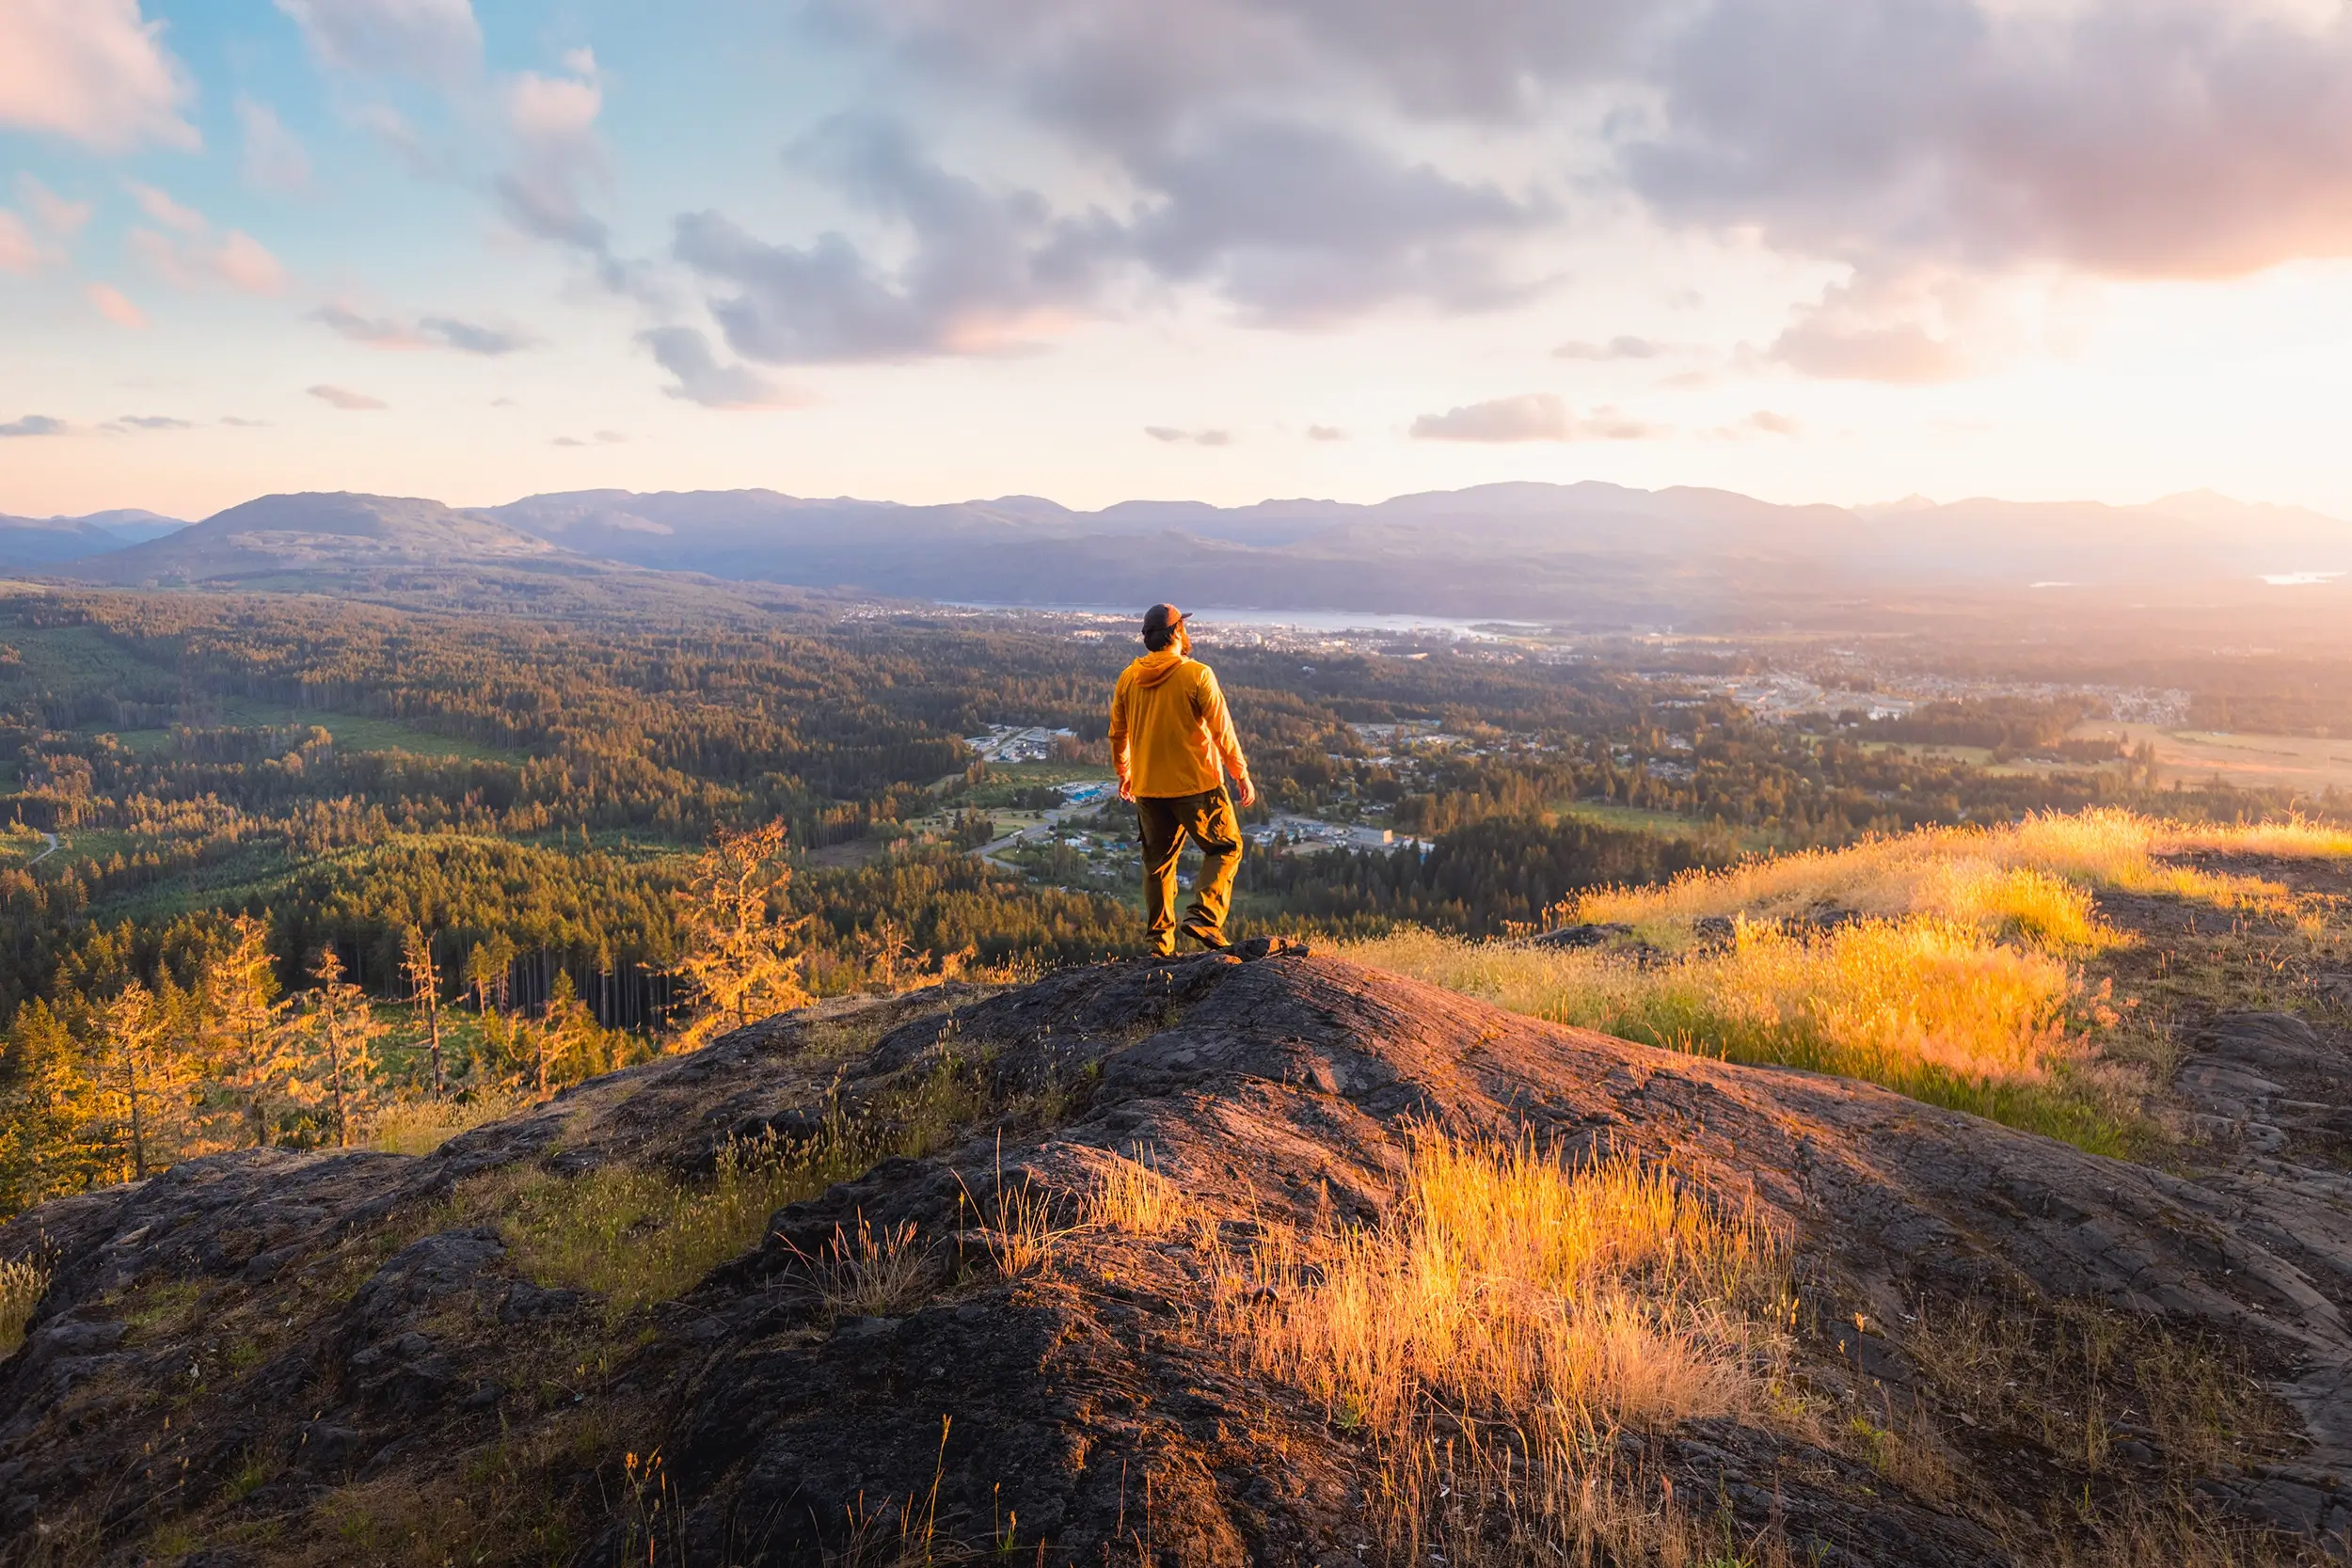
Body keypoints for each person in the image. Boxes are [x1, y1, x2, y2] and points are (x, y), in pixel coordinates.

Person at [1106, 603, 1257, 956]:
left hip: (1148, 789)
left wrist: (1124, 772)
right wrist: (1240, 773)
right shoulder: (1197, 675)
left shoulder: (1129, 677)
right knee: (1225, 847)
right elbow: (1223, 730)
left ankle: (1159, 944)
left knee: (1157, 865)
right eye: (1183, 627)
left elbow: (1117, 733)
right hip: (1197, 785)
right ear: (1176, 633)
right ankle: (1204, 916)